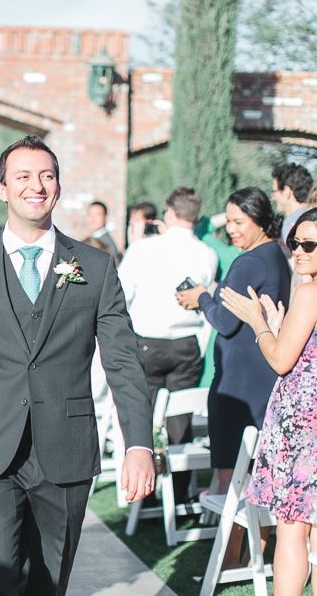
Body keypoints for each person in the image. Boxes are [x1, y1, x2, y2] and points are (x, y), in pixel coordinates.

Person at [0, 135, 155, 595]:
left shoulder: (95, 267)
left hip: (66, 449)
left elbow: (124, 361)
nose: (37, 185)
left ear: (58, 186)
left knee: (48, 584)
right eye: (23, 176)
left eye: (47, 175)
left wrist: (139, 445)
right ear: (2, 189)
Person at [220, 207, 317, 596]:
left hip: (302, 423)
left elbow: (280, 361)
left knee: (292, 526)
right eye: (294, 242)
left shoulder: (309, 292)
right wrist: (280, 327)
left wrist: (257, 320)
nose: (298, 251)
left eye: (310, 245)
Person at [176, 187, 290, 495]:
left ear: (259, 219)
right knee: (257, 473)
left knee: (231, 477)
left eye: (239, 222)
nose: (231, 229)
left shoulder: (249, 262)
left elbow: (225, 323)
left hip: (237, 383)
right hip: (263, 374)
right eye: (228, 222)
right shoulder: (277, 254)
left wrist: (201, 297)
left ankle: (227, 527)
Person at [119, 187, 218, 500]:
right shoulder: (207, 254)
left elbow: (122, 295)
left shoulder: (143, 249)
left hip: (147, 343)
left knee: (141, 415)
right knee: (179, 419)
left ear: (170, 212)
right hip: (187, 344)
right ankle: (178, 492)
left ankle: (143, 490)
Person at [271, 163, 314, 244]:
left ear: (286, 191)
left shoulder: (290, 225)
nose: (273, 198)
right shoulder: (313, 218)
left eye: (275, 192)